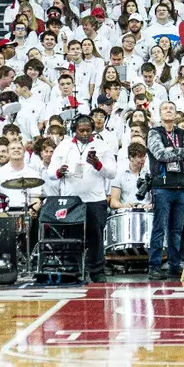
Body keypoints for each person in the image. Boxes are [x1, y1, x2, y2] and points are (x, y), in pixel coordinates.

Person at [52, 114, 113, 282]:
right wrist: (59, 172)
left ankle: (97, 270)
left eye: (88, 130)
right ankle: (72, 268)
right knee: (72, 235)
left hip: (95, 199)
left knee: (96, 235)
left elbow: (112, 172)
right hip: (72, 199)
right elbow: (50, 172)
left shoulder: (102, 146)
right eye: (81, 130)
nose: (85, 134)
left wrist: (98, 164)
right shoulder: (64, 146)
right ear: (74, 130)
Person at [145, 100, 184, 279]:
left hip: (180, 187)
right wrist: (179, 151)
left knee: (176, 229)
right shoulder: (153, 132)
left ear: (176, 113)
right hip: (162, 187)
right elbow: (159, 154)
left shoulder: (182, 132)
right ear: (160, 113)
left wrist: (172, 151)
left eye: (171, 109)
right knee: (159, 228)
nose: (168, 111)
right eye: (165, 108)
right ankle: (154, 266)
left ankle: (175, 265)